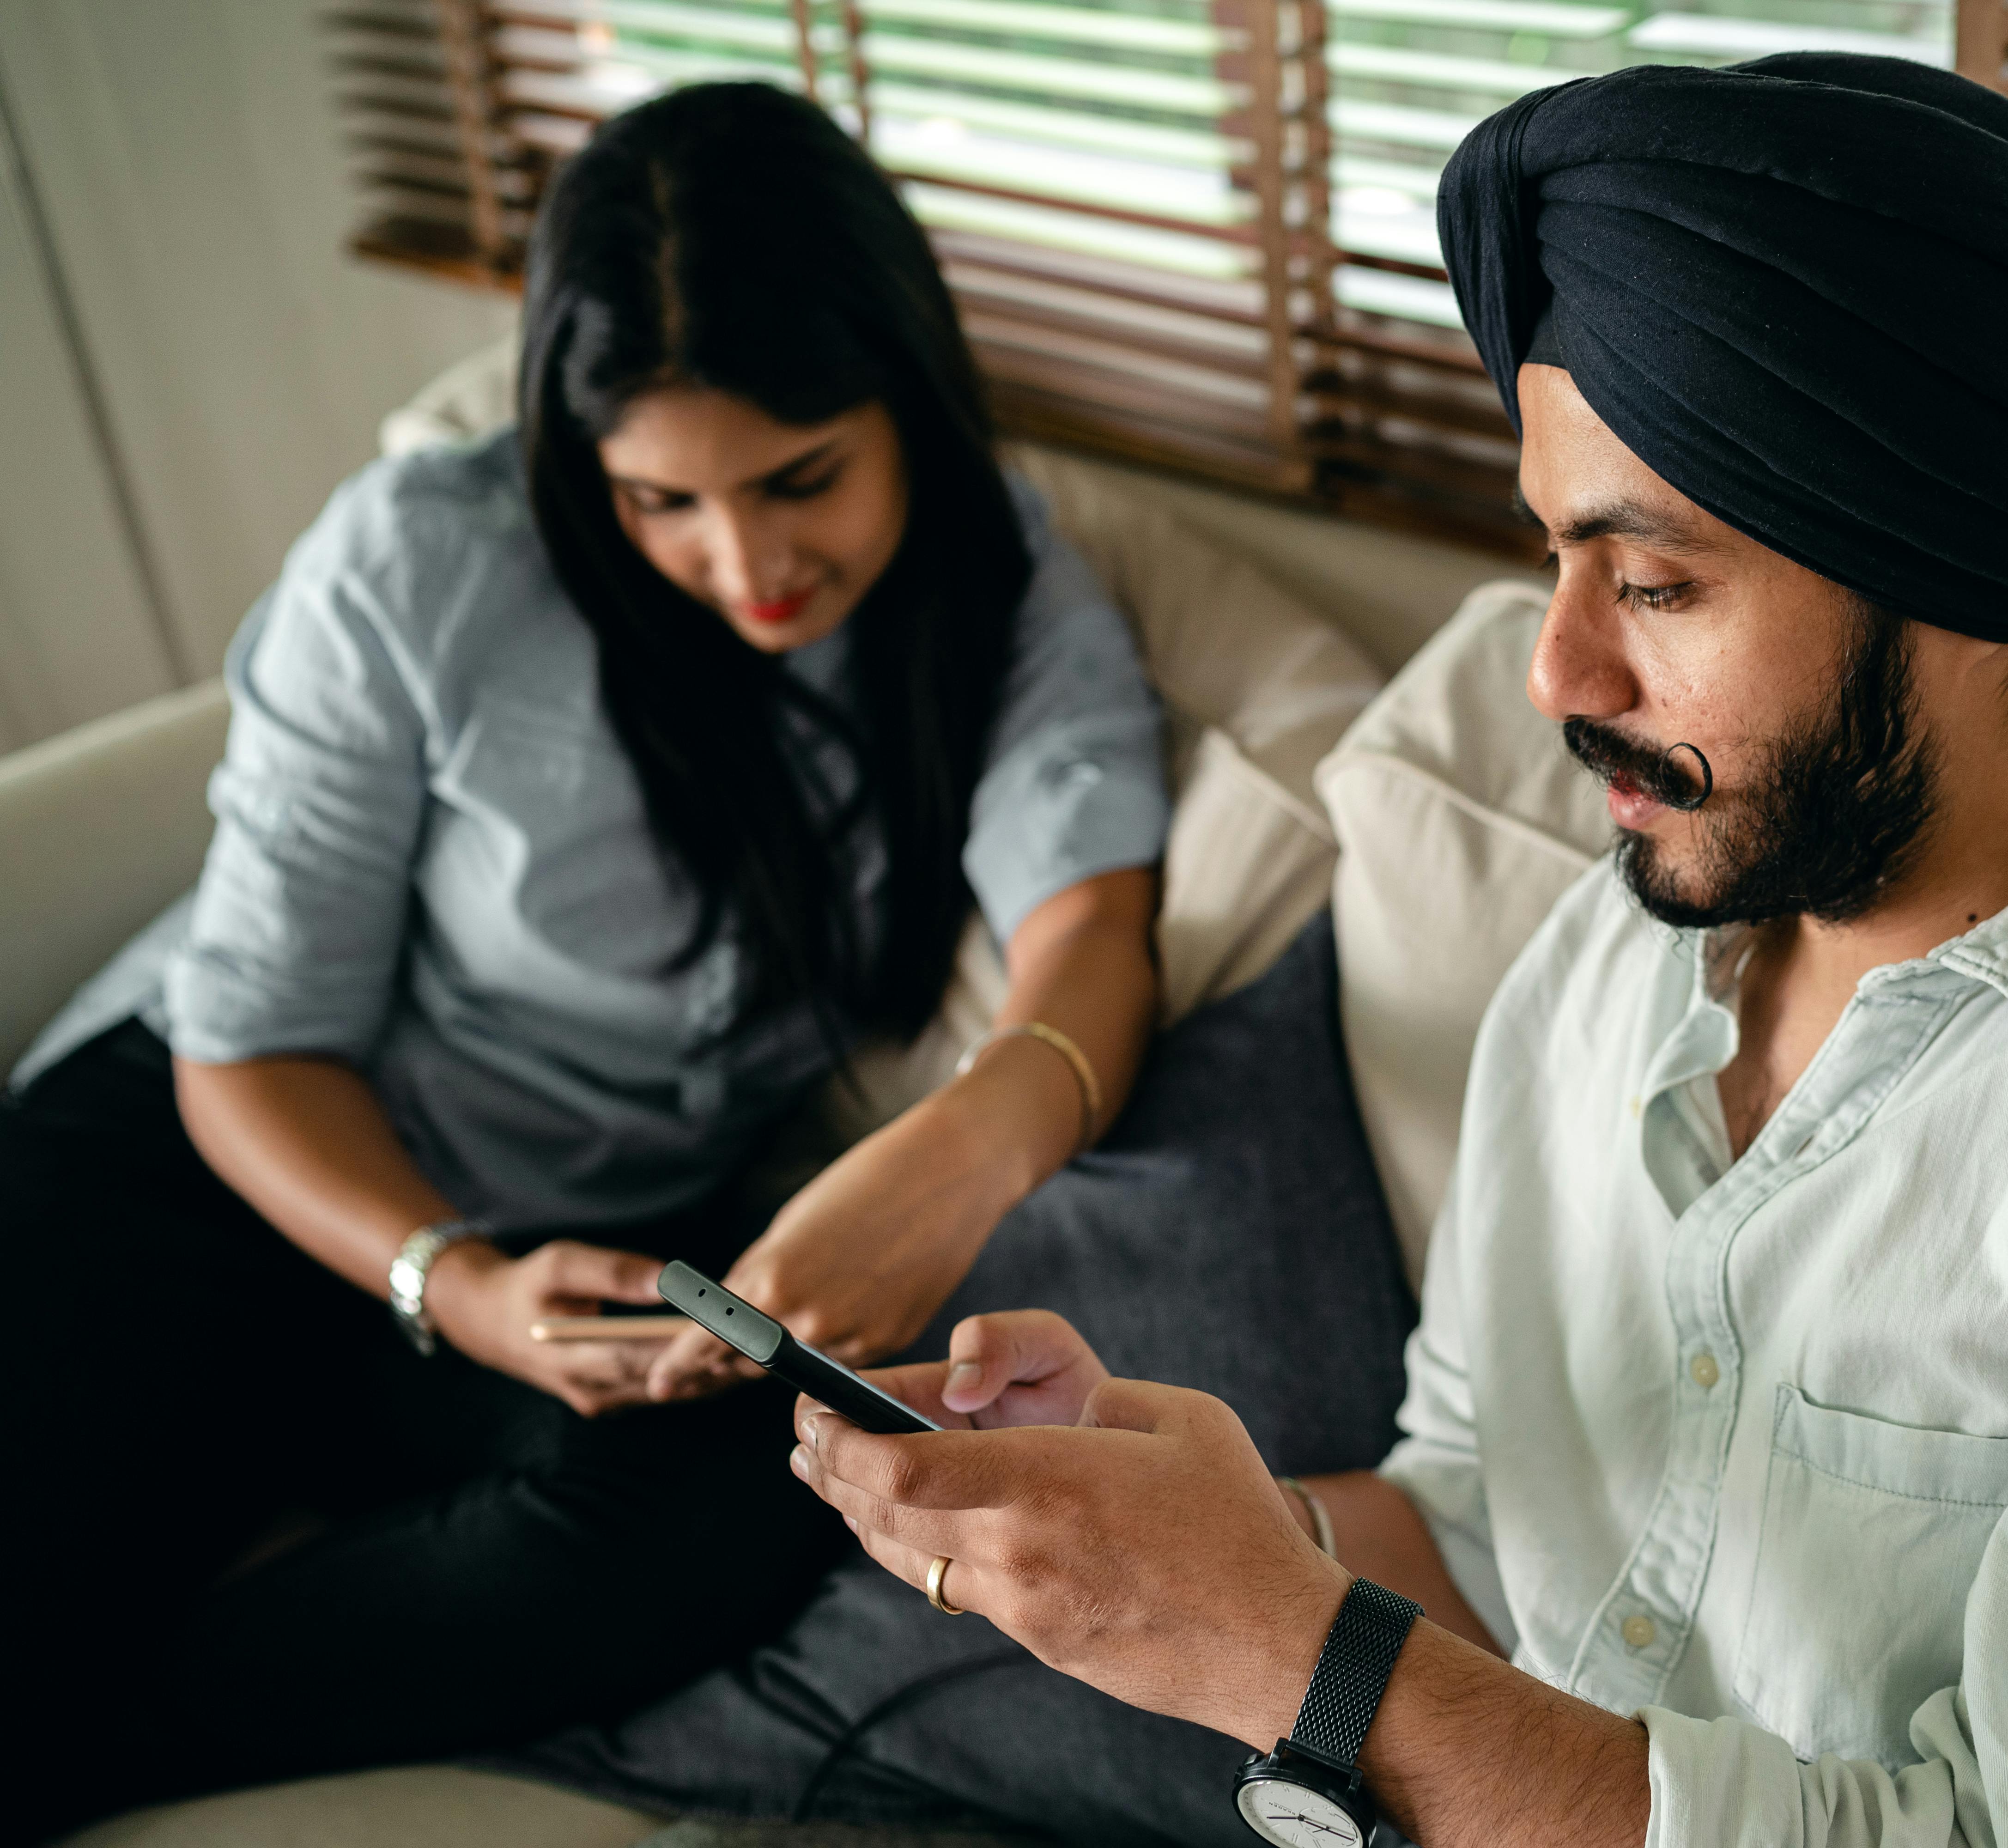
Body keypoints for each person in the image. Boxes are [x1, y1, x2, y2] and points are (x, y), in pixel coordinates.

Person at [767, 56, 2008, 1848]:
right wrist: (1178, 1536)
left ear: (1970, 575)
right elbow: (1488, 1542)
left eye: (1656, 582)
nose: (1557, 673)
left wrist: (1296, 1654)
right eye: (1558, 563)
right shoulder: (1611, 971)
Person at [2, 80, 1175, 1835]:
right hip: (223, 1175)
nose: (747, 565)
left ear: (906, 398)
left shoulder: (1002, 588)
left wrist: (968, 1144)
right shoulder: (422, 564)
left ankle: (98, 1748)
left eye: (801, 481)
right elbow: (246, 1048)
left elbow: (1091, 929)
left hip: (592, 1271)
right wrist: (452, 1285)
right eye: (660, 503)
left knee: (737, 1506)